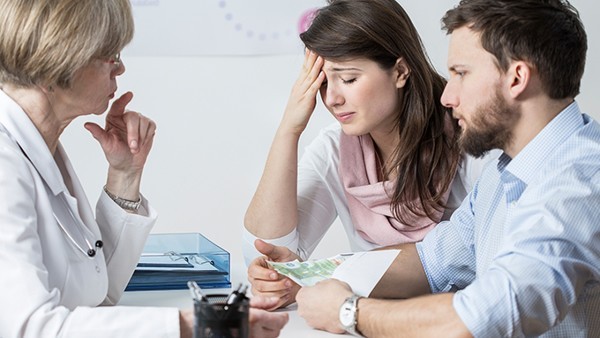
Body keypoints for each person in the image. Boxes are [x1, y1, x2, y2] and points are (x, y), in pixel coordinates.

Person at [293, 0, 600, 336]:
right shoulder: (506, 172)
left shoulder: (579, 182)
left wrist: (348, 312)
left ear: (517, 78)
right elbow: (430, 260)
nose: (447, 96)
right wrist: (309, 275)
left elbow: (476, 320)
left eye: (461, 74)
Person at [0, 1, 287, 337]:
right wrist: (186, 325)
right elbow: (28, 326)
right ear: (54, 64)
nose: (120, 69)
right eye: (109, 55)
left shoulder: (41, 146)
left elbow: (97, 293)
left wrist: (125, 174)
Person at [243, 0, 498, 310]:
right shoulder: (336, 151)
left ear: (401, 71)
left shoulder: (470, 142)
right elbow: (267, 249)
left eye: (348, 79)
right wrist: (289, 129)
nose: (332, 99)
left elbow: (483, 266)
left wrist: (324, 277)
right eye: (323, 82)